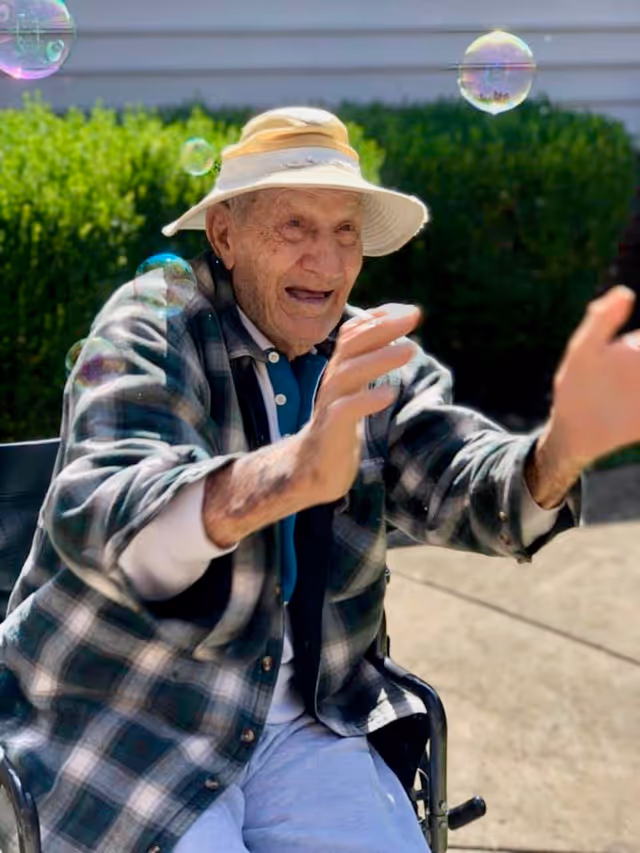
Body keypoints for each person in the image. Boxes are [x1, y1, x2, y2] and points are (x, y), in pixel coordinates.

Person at [1, 106, 639, 853]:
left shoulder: (368, 353)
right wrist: (295, 470)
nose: (328, 262)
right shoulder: (152, 324)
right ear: (225, 236)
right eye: (295, 226)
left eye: (345, 232)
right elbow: (118, 518)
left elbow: (466, 485)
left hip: (305, 718)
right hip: (127, 718)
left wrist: (563, 447)